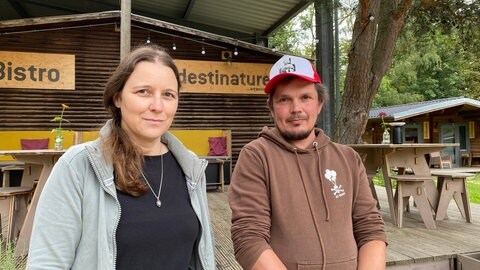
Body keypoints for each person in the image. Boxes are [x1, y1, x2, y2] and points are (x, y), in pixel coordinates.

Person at [27, 44, 216, 270]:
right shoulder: (78, 166)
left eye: (168, 95)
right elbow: (47, 263)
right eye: (143, 91)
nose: (157, 106)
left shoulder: (191, 168)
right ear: (117, 98)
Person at [228, 55, 387, 270]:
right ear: (271, 108)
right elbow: (248, 238)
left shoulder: (348, 158)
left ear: (319, 104)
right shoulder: (256, 156)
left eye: (305, 97)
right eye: (284, 99)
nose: (296, 109)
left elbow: (370, 228)